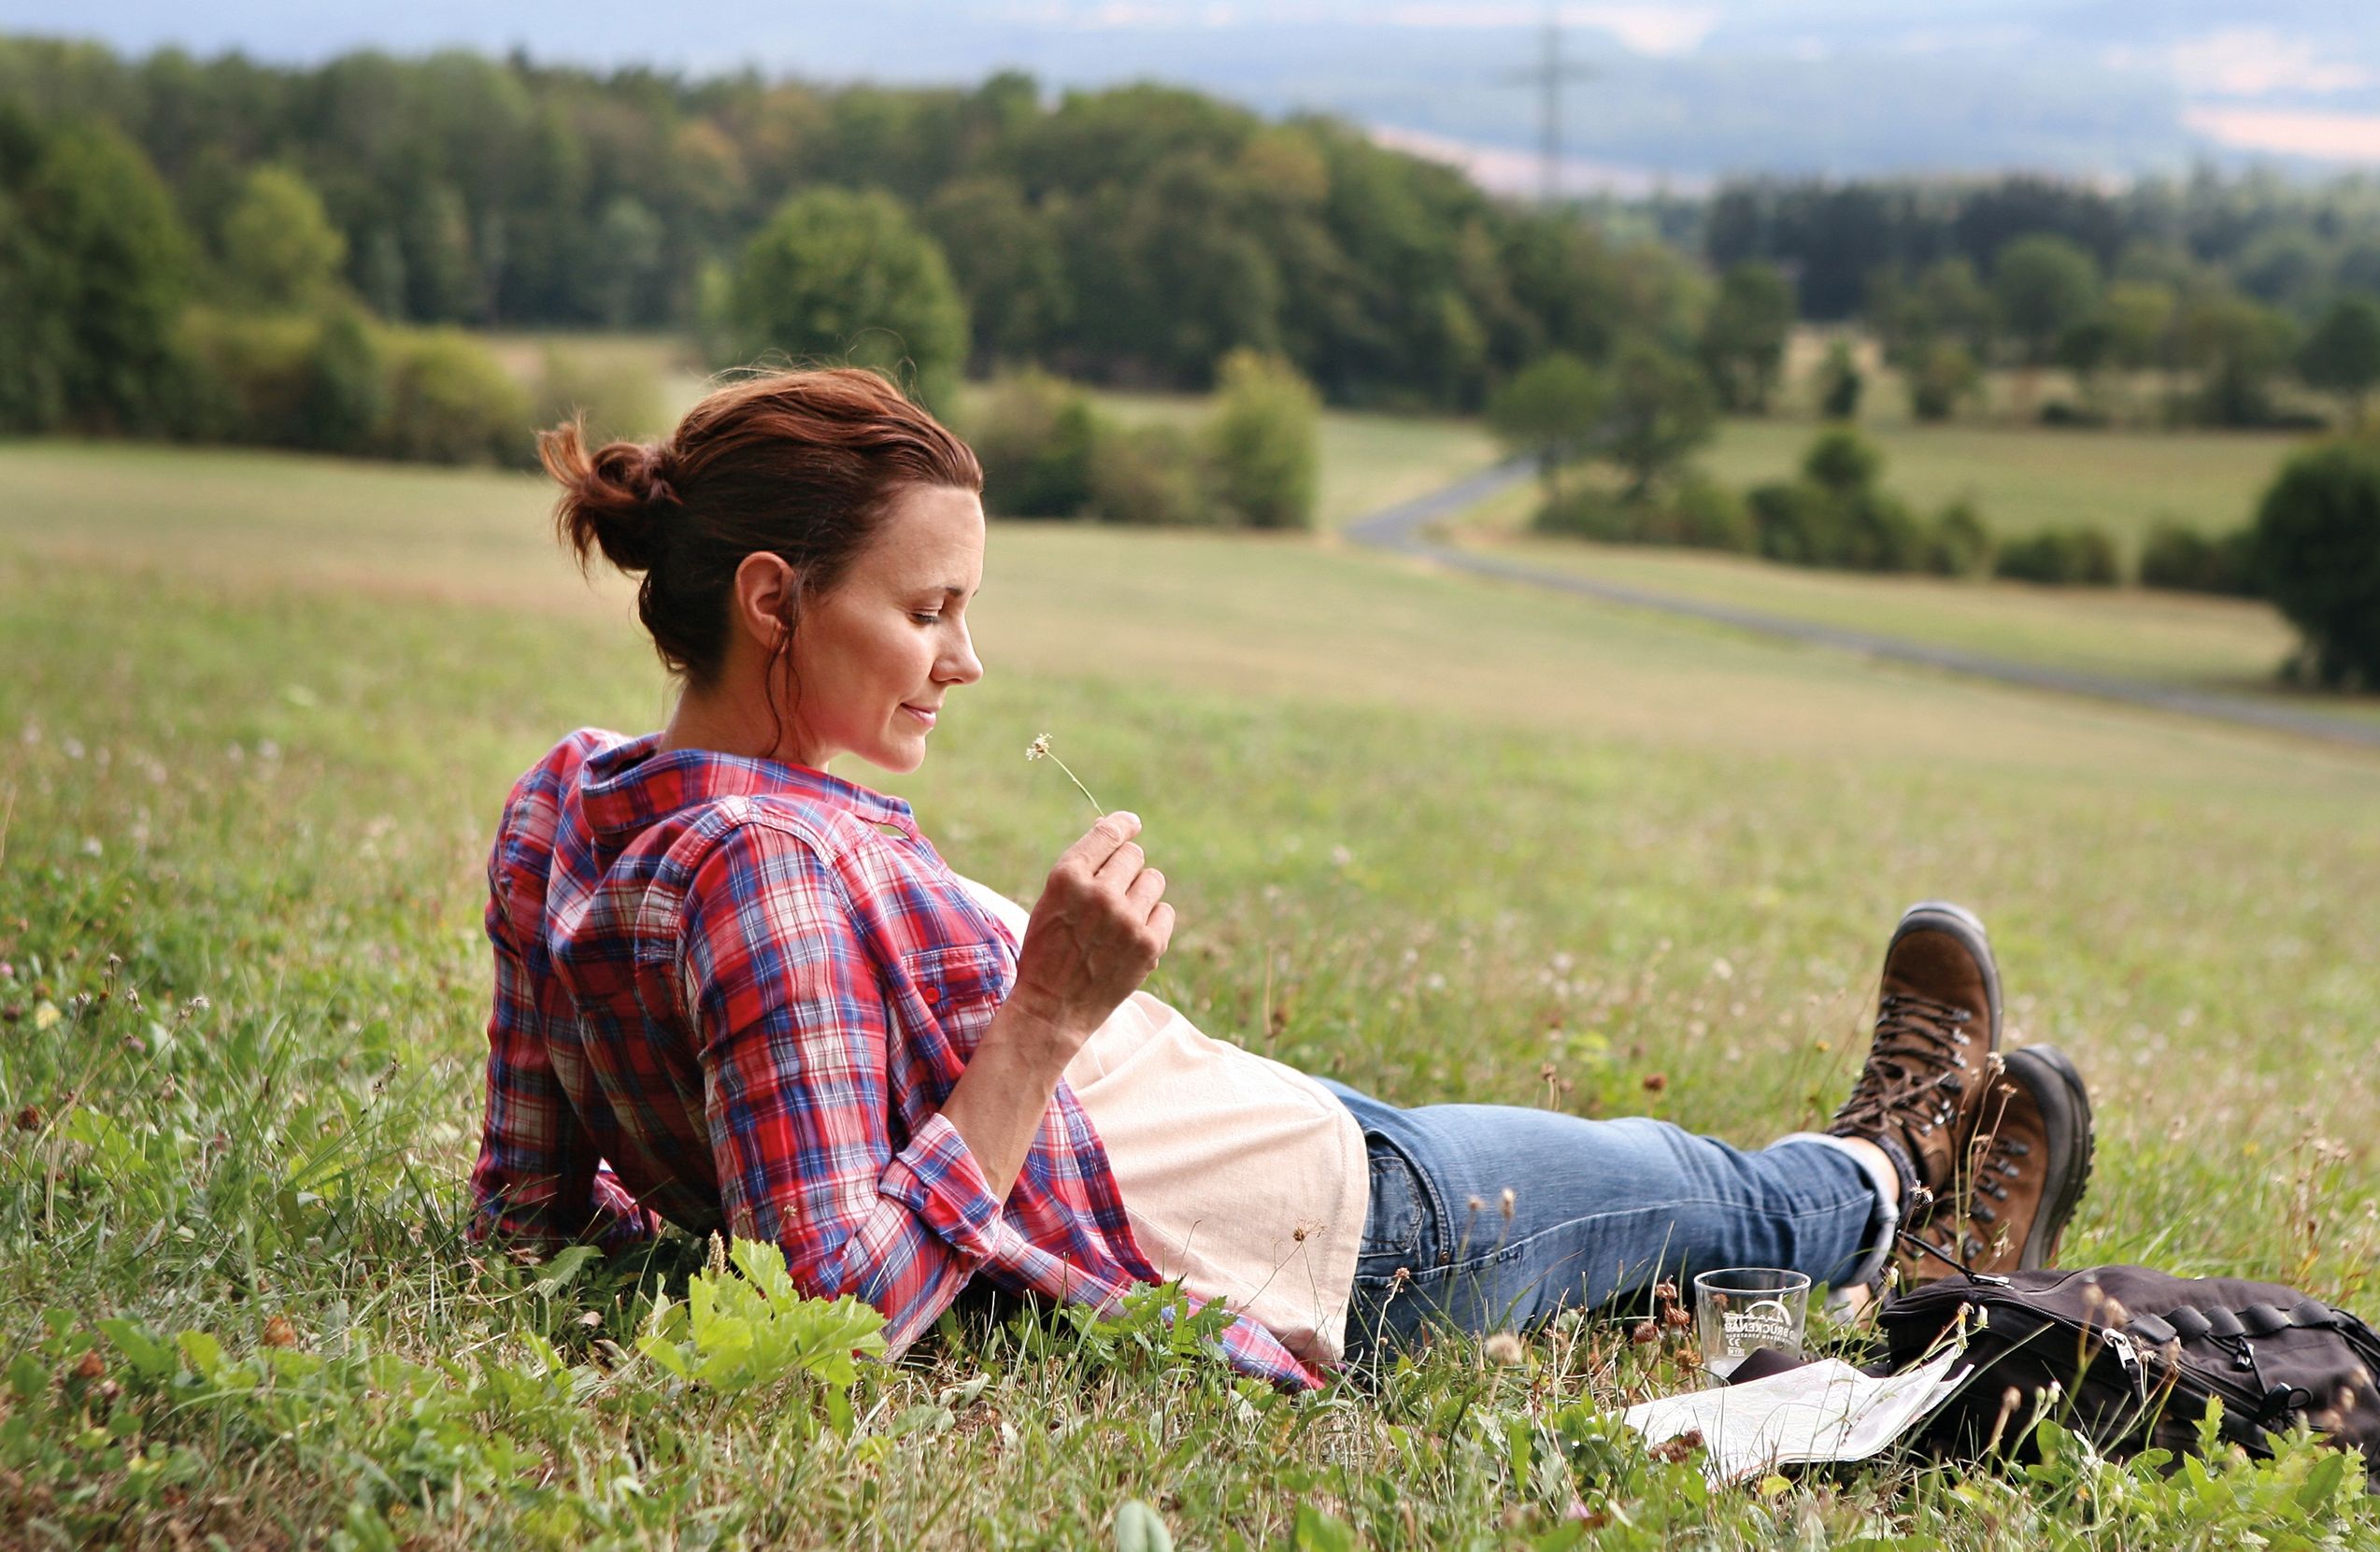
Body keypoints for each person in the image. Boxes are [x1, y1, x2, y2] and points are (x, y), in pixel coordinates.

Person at [471, 368, 2096, 1388]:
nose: (966, 658)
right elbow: (827, 1331)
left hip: (1219, 1143)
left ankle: (1901, 1189)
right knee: (1697, 1188)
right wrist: (1042, 1013)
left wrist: (736, 1199)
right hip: (1329, 1229)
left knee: (1633, 1229)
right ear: (772, 598)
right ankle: (1892, 1189)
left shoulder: (568, 800)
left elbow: (524, 1210)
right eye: (927, 608)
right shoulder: (767, 869)